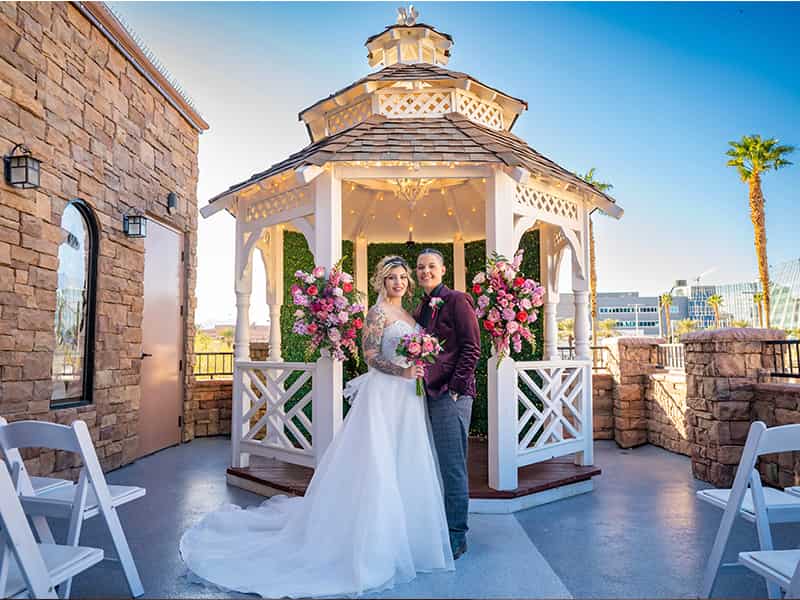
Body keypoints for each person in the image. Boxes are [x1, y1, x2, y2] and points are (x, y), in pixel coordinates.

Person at [180, 256, 453, 598]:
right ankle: (369, 543)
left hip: (407, 401)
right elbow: (370, 356)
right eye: (391, 278)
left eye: (402, 277)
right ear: (382, 282)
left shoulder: (410, 315)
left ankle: (407, 538)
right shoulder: (378, 313)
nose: (398, 282)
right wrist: (403, 371)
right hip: (384, 394)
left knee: (406, 461)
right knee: (378, 463)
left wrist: (417, 363)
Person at [414, 248, 481, 560]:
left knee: (453, 465)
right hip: (428, 393)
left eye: (431, 266)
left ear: (442, 270)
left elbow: (472, 347)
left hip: (450, 396)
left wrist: (455, 388)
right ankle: (440, 525)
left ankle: (457, 534)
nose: (425, 271)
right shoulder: (422, 308)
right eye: (420, 267)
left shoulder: (456, 299)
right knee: (436, 463)